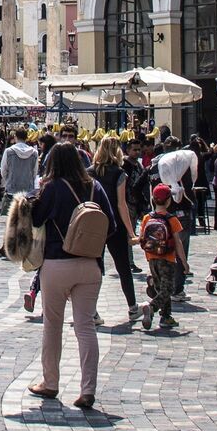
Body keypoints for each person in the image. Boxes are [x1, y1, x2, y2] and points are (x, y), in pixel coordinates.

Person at [27, 141, 111, 411]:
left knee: (53, 324)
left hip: (57, 262)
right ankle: (88, 389)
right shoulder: (94, 187)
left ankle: (50, 382)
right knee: (85, 327)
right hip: (90, 264)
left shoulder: (52, 187)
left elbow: (37, 219)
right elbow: (110, 224)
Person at [90, 137, 139, 326]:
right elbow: (121, 204)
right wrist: (131, 231)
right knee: (123, 266)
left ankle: (92, 310)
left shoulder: (90, 173)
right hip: (115, 225)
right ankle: (133, 307)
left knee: (95, 268)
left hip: (94, 222)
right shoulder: (119, 173)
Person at [137, 183, 186, 333]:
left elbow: (141, 238)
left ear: (153, 199)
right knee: (168, 288)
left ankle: (166, 317)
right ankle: (151, 308)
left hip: (152, 257)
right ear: (169, 201)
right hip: (168, 258)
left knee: (160, 287)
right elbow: (178, 243)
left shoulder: (147, 218)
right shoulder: (172, 219)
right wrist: (184, 262)